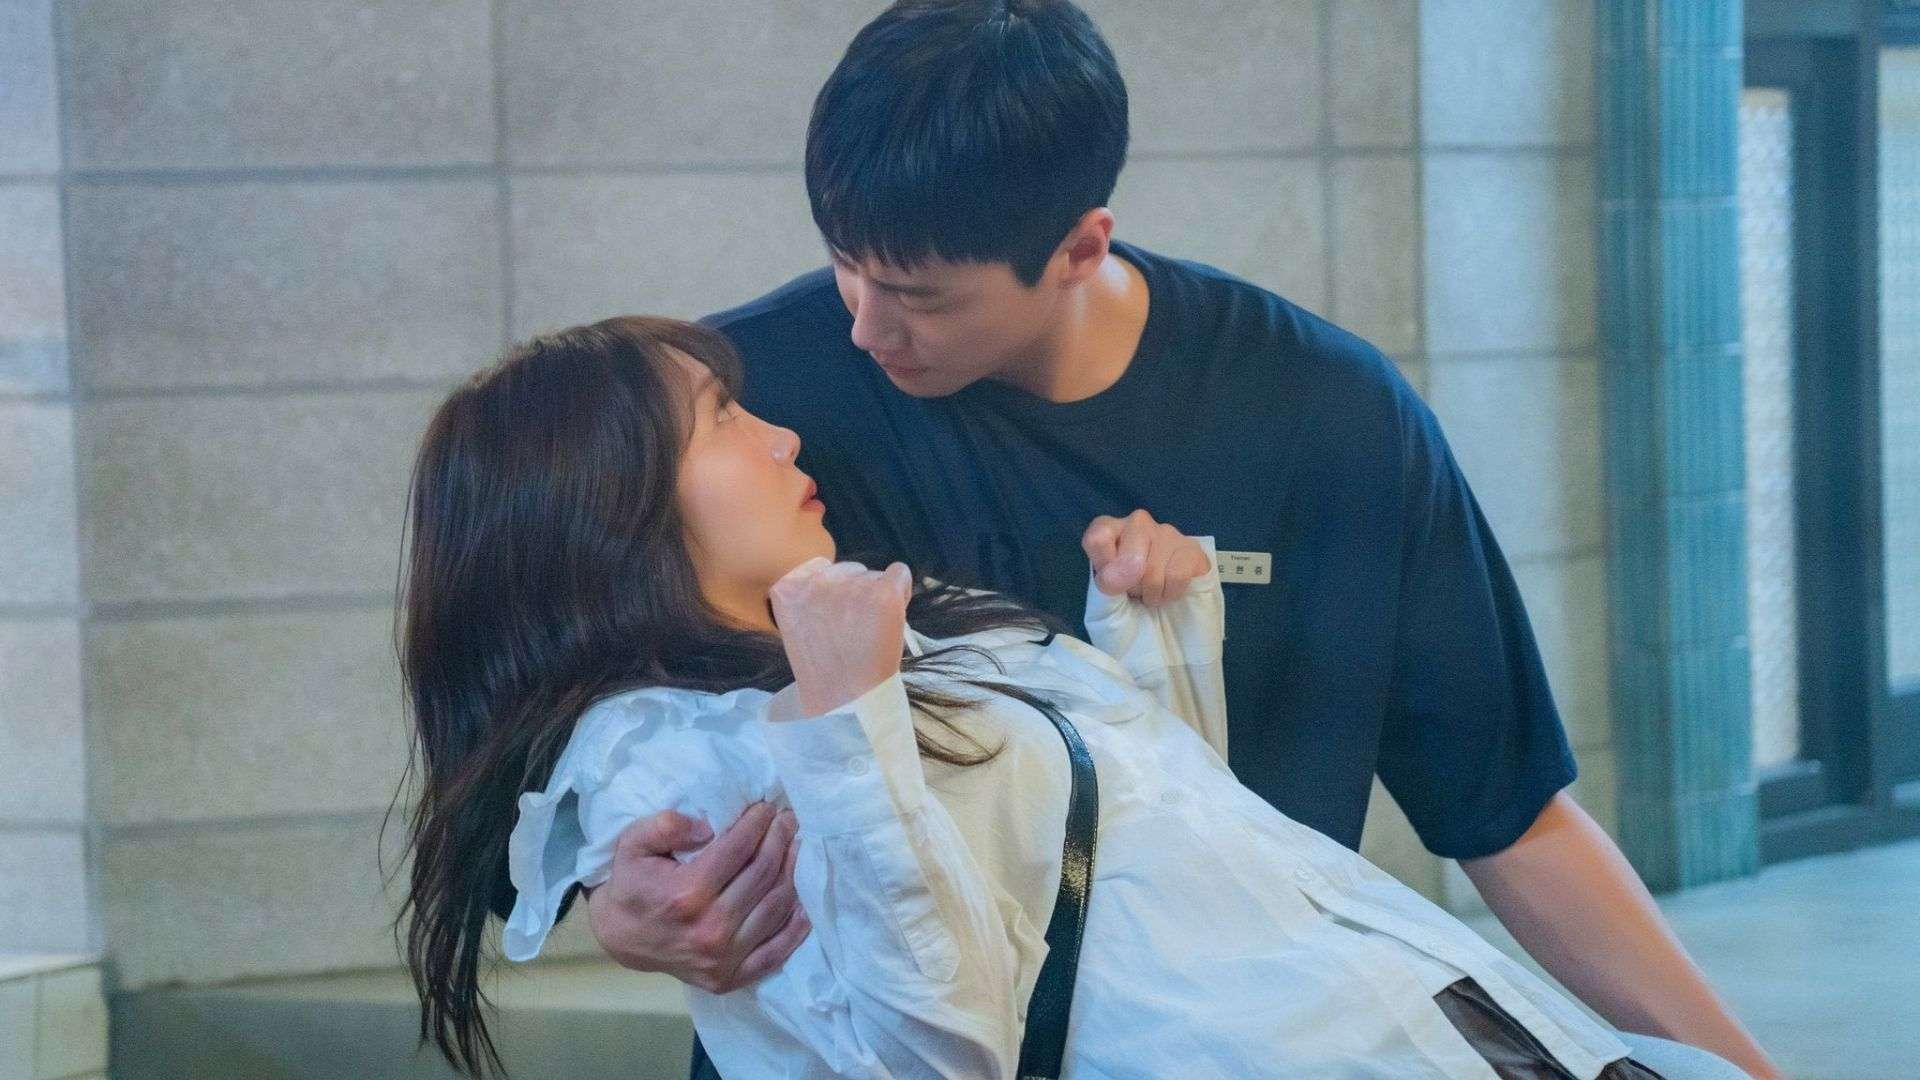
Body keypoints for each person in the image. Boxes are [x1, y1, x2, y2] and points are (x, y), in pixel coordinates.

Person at [579, 3, 1780, 1079]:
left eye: (923, 296)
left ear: (1081, 246)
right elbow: (555, 689)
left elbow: (1512, 818)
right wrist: (615, 903)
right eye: (847, 266)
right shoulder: (745, 410)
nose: (865, 327)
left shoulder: (1327, 419)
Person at [397, 315, 1684, 1079]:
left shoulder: (1290, 379)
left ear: (1078, 242)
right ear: (608, 502)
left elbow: (1143, 877)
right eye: (726, 419)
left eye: (923, 287)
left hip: (1415, 1019)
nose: (787, 426)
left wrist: (1149, 635)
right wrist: (842, 732)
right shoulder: (688, 742)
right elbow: (927, 1055)